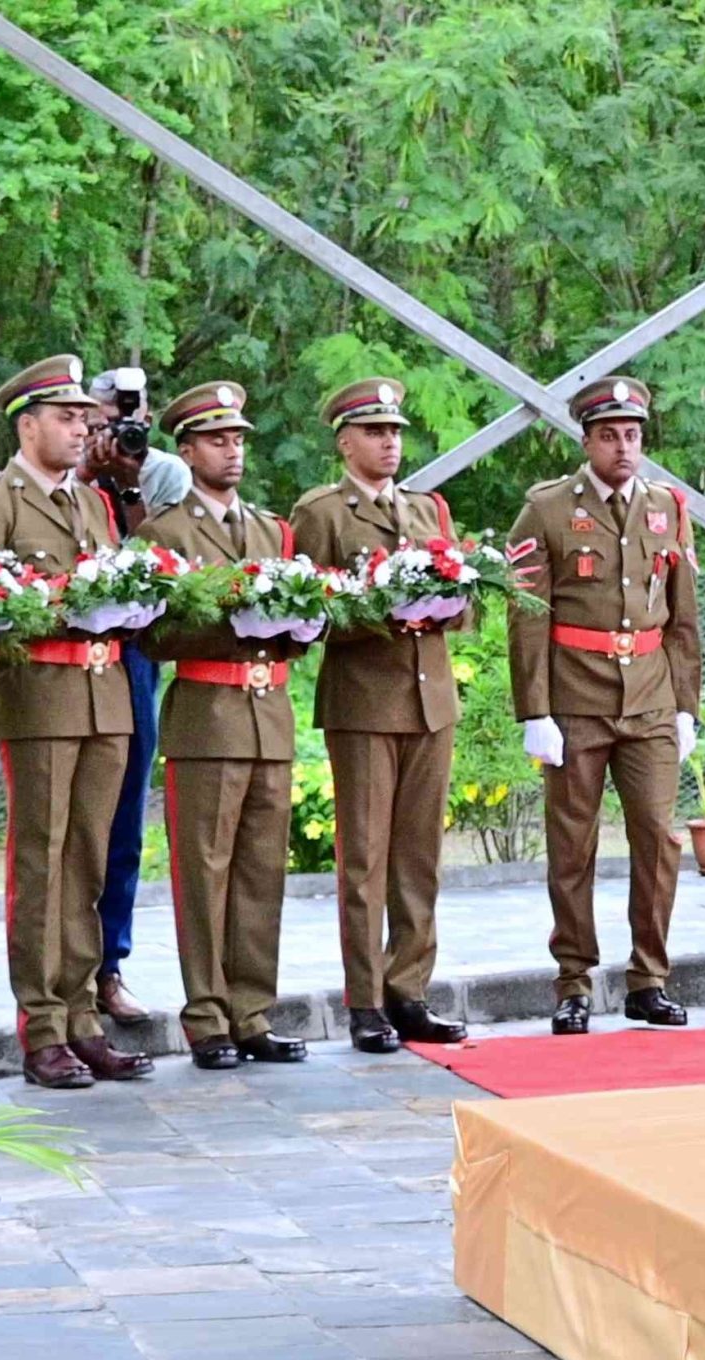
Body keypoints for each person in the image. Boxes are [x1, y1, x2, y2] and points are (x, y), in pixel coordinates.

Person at [0, 354, 153, 1090]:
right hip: (40, 696)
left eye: (84, 419)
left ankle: (80, 1015)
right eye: (66, 418)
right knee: (41, 861)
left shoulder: (94, 503)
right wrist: (65, 606)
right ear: (28, 424)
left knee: (88, 861)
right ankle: (40, 1027)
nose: (80, 430)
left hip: (106, 697)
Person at [506, 375, 701, 1037]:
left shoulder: (667, 508)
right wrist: (535, 711)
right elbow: (527, 615)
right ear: (587, 441)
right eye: (611, 435)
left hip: (650, 698)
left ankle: (649, 979)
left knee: (659, 838)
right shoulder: (547, 509)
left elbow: (682, 618)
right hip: (576, 699)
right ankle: (573, 982)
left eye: (633, 435)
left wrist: (686, 704)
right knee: (573, 845)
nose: (624, 447)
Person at [130, 381, 311, 1070]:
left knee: (262, 872)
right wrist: (229, 624)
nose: (231, 451)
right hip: (207, 715)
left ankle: (252, 1011)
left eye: (237, 439)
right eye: (215, 440)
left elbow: (291, 622)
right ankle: (206, 1015)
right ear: (186, 450)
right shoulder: (165, 533)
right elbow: (152, 636)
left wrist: (303, 625)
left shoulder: (270, 529)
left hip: (269, 714)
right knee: (204, 873)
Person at [292, 376, 471, 1054]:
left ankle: (410, 988)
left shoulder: (427, 510)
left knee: (420, 857)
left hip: (430, 700)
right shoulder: (323, 513)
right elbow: (307, 612)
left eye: (394, 431)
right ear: (345, 442)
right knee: (365, 860)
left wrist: (450, 605)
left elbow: (465, 602)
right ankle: (365, 999)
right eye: (374, 432)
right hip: (365, 700)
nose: (389, 442)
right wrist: (379, 613)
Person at [83, 366, 189, 1025]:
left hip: (136, 650)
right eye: (99, 420)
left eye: (129, 419)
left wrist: (127, 484)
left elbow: (163, 561)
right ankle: (62, 977)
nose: (115, 432)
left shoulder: (163, 472)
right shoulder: (64, 469)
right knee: (72, 825)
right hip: (74, 656)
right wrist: (87, 471)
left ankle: (109, 966)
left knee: (125, 812)